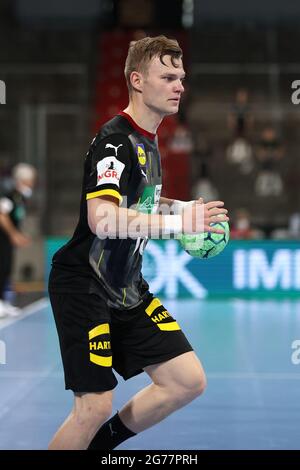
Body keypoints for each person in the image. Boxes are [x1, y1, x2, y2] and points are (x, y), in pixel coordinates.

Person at [48, 35, 229, 450]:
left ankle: (99, 449)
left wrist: (184, 207)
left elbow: (141, 202)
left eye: (181, 77)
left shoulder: (150, 141)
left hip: (126, 287)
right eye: (167, 77)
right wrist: (181, 221)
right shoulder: (115, 140)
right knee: (92, 407)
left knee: (186, 380)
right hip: (84, 286)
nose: (179, 85)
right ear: (137, 80)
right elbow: (103, 218)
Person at [0, 163, 36, 318]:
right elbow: (2, 215)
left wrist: (19, 235)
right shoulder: (9, 195)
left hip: (7, 240)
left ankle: (3, 301)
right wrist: (14, 234)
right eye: (31, 181)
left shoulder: (20, 198)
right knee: (2, 267)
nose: (32, 184)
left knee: (7, 267)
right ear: (22, 180)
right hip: (2, 238)